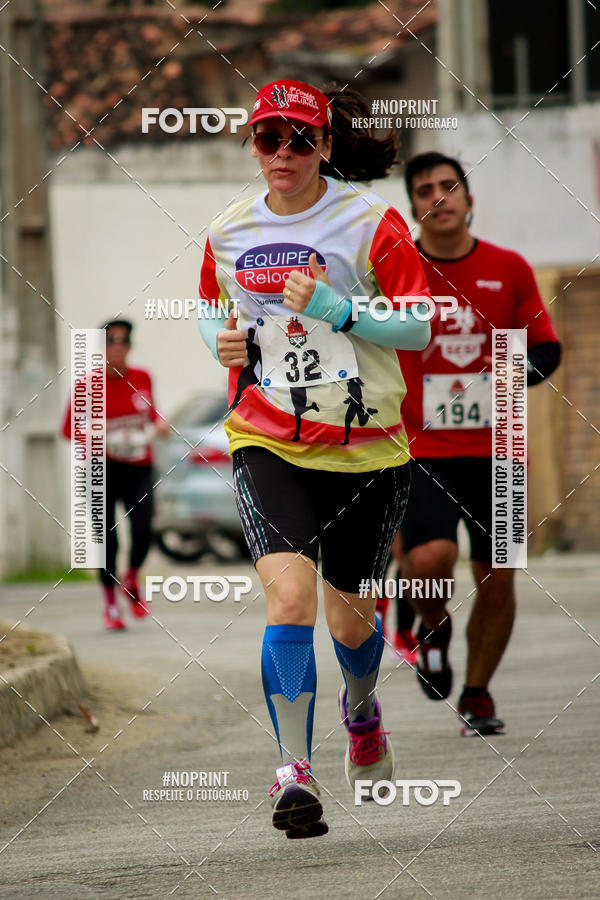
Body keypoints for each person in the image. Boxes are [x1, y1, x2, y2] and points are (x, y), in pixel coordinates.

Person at [197, 80, 432, 838]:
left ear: (326, 145)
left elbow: (420, 325)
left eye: (301, 139)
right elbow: (210, 310)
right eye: (269, 138)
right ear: (253, 145)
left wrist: (343, 311)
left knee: (354, 621)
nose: (284, 153)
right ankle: (293, 772)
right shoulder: (229, 231)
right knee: (289, 601)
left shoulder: (372, 224)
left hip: (368, 450)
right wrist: (218, 343)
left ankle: (361, 711)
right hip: (269, 439)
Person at [396, 151, 561, 736]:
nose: (438, 197)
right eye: (424, 190)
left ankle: (478, 694)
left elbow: (546, 349)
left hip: (502, 449)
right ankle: (430, 625)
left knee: (499, 576)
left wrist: (508, 373)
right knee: (429, 559)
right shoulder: (396, 268)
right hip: (420, 448)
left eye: (448, 186)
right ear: (413, 205)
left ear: (469, 199)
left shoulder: (509, 268)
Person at [61, 319, 169, 629]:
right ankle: (110, 604)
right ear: (101, 347)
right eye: (111, 341)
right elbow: (69, 429)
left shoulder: (143, 377)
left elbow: (152, 413)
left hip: (139, 467)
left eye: (123, 340)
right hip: (102, 469)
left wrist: (160, 425)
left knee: (144, 529)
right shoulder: (87, 385)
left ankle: (132, 579)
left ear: (130, 345)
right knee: (107, 540)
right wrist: (96, 431)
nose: (117, 347)